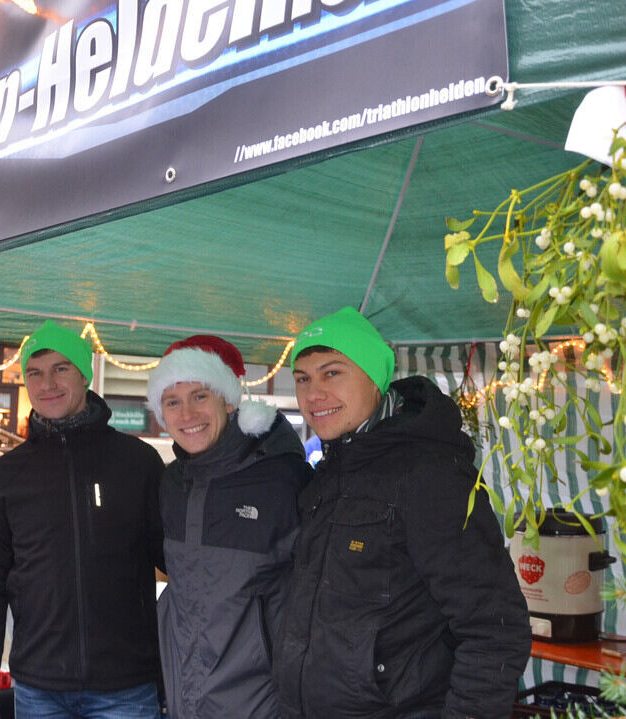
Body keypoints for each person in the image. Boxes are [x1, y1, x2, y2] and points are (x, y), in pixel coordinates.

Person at [272, 307, 531, 719]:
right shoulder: (328, 474)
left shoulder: (429, 475)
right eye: (302, 378)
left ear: (374, 379)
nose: (313, 394)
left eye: (332, 373)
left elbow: (494, 629)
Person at [0, 320, 164, 719]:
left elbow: (183, 566)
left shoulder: (138, 463)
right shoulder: (5, 478)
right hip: (40, 690)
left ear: (85, 375)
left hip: (126, 688)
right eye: (34, 373)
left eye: (61, 369)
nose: (46, 384)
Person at [145, 335, 312, 718]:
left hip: (261, 702)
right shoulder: (172, 484)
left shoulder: (282, 479)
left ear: (229, 399)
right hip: (184, 698)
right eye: (173, 402)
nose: (187, 415)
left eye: (200, 396)